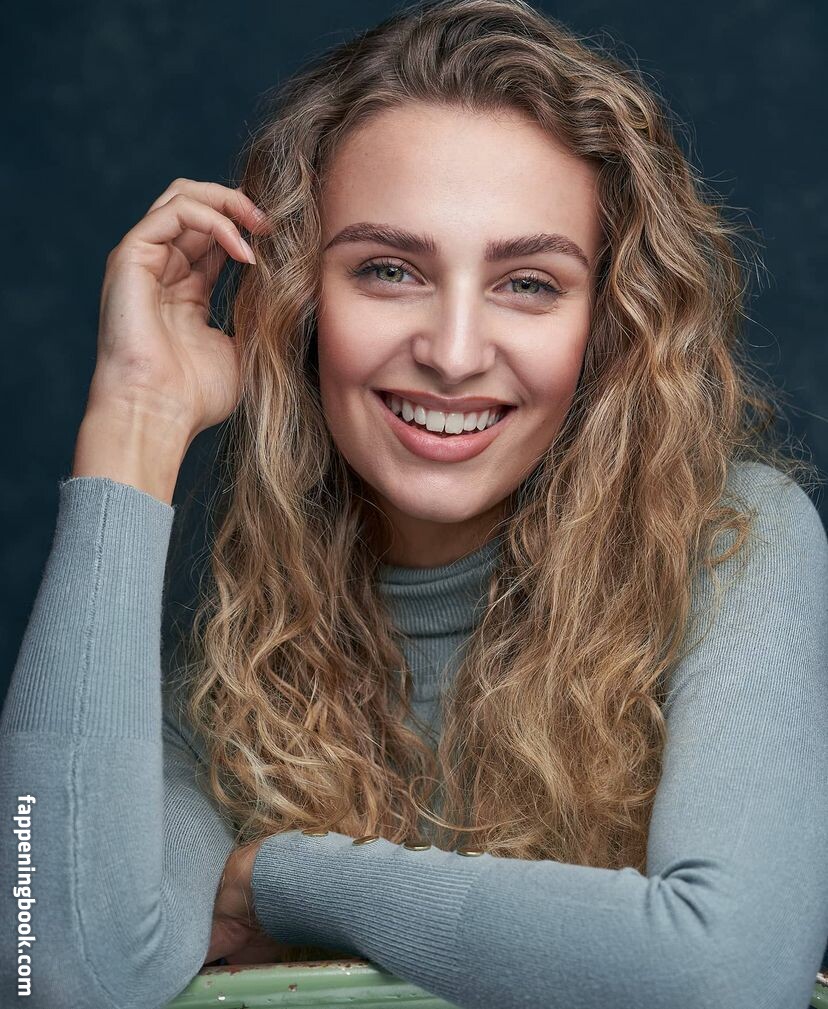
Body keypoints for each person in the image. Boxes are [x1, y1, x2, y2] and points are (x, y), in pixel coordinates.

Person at [2, 0, 826, 1006]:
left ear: (607, 321)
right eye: (389, 270)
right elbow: (53, 967)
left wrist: (284, 878)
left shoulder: (731, 542)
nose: (453, 351)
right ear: (302, 299)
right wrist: (134, 417)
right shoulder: (232, 650)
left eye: (529, 283)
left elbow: (726, 973)